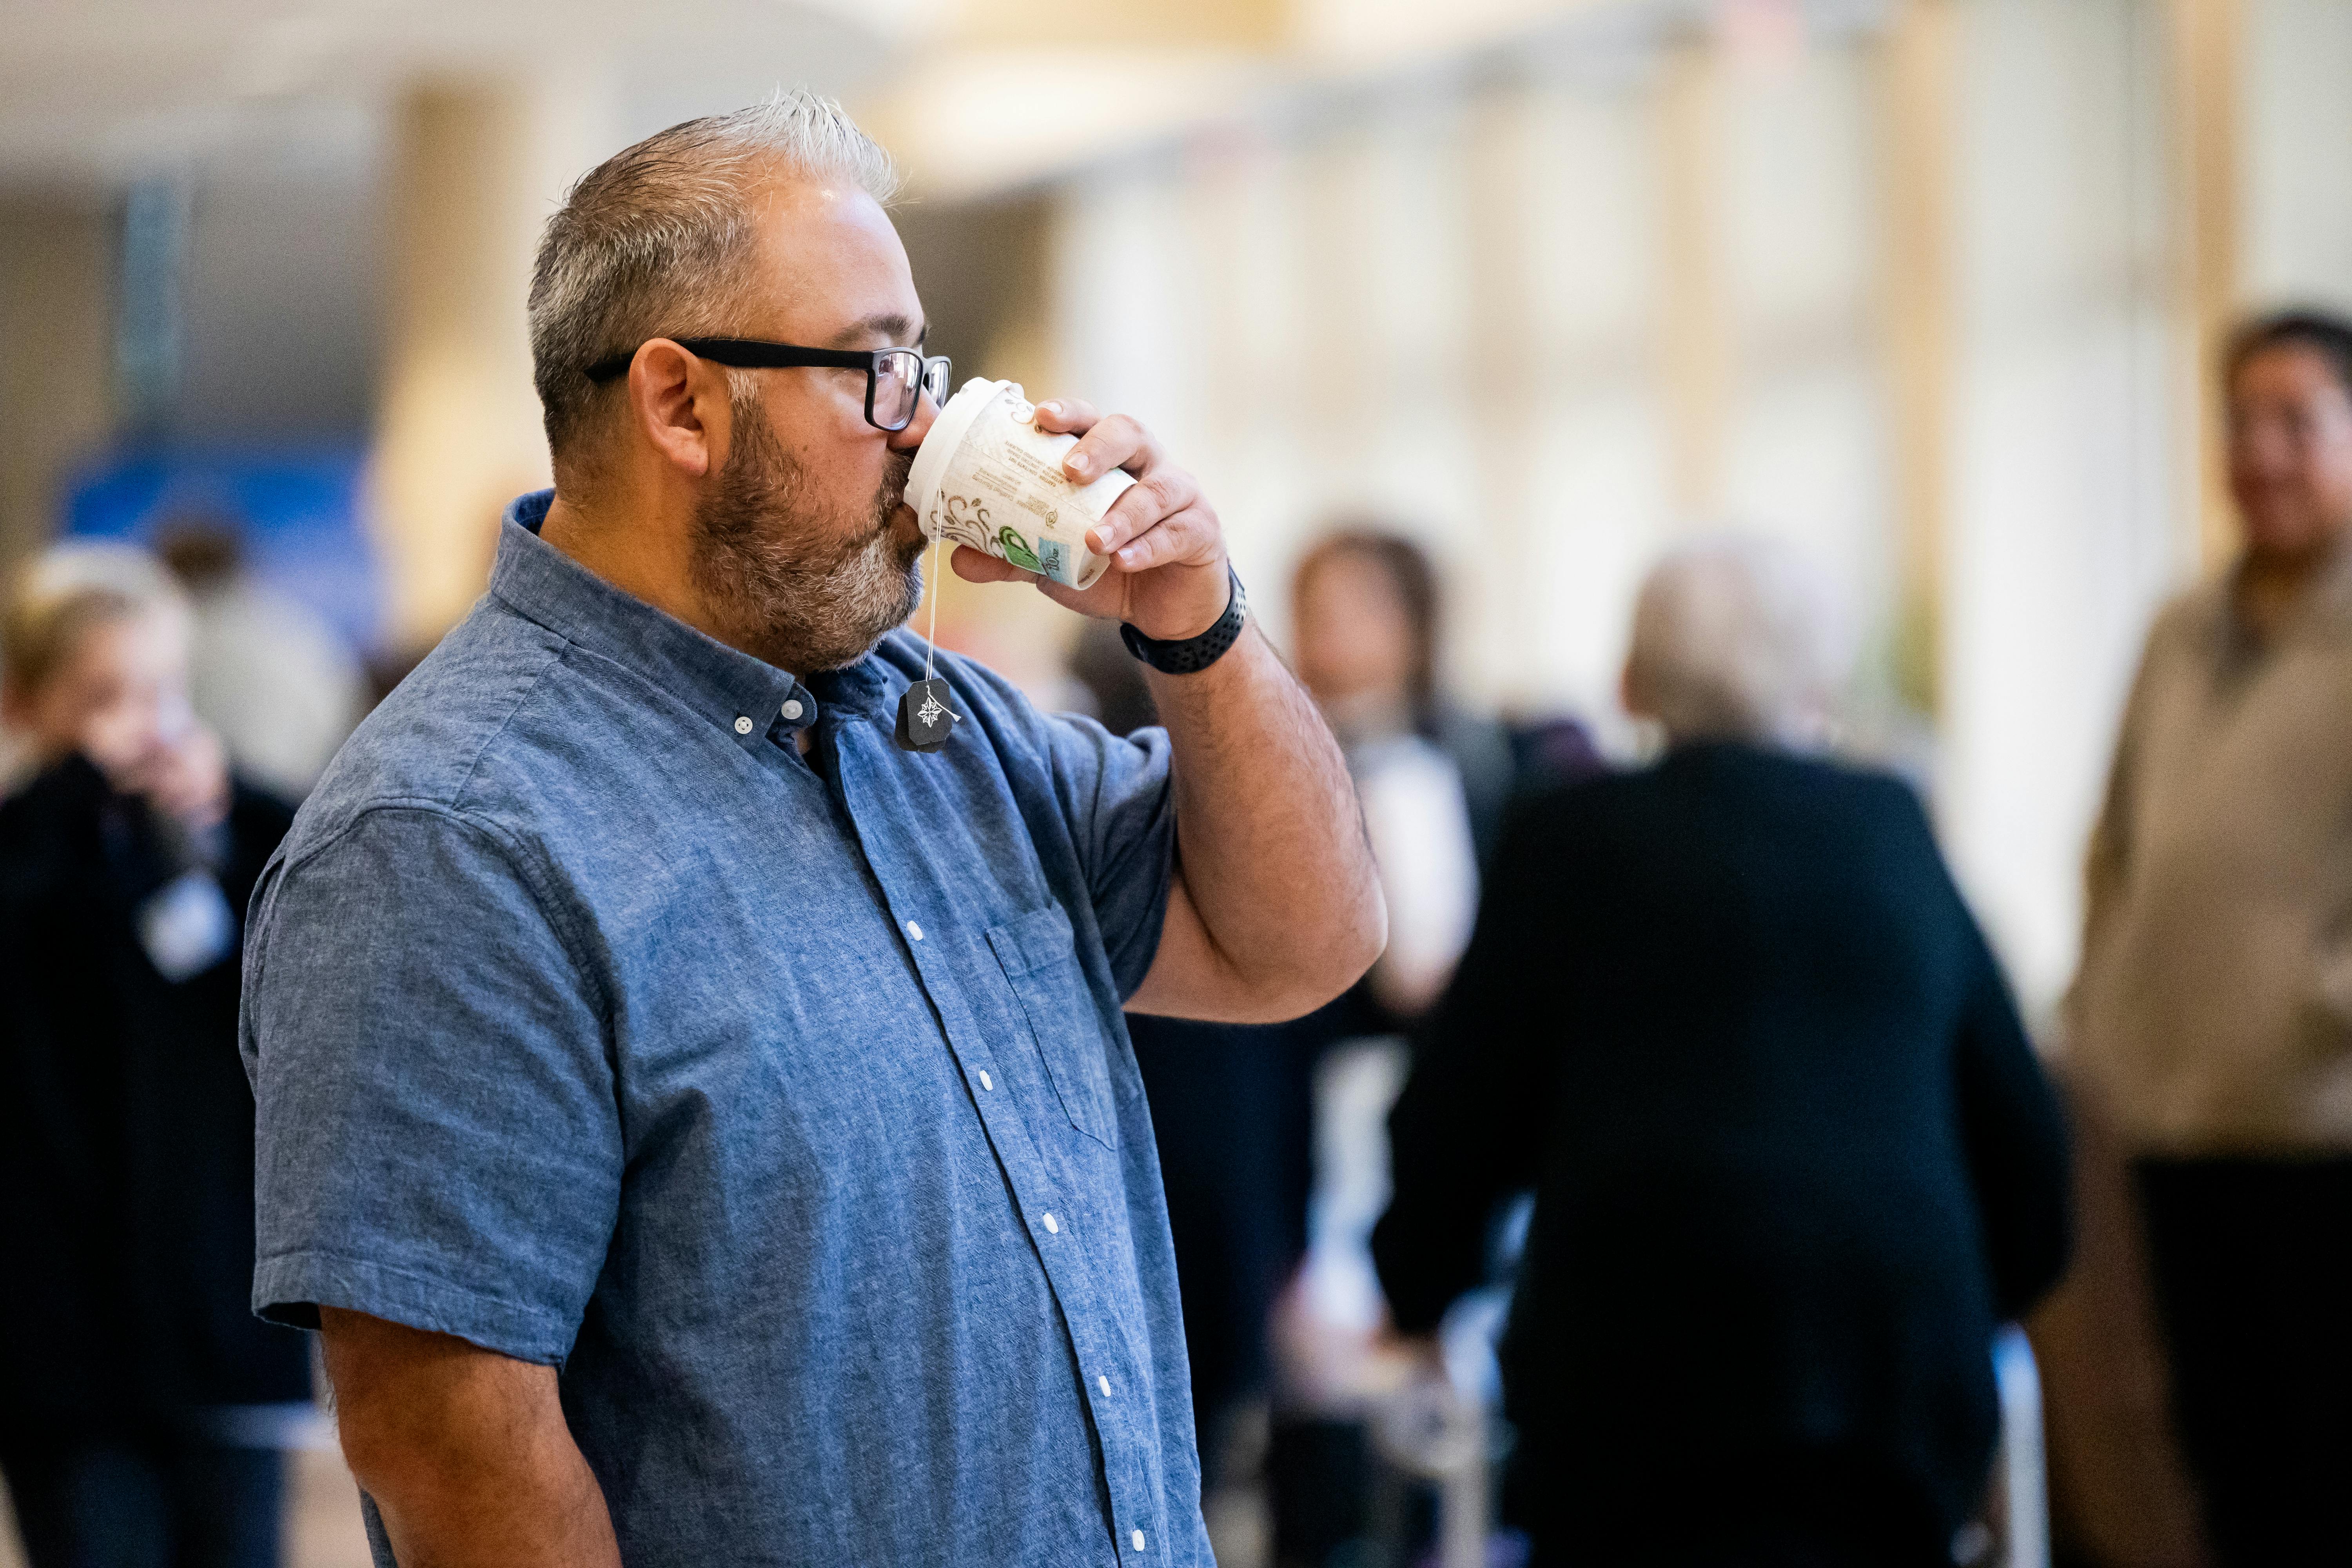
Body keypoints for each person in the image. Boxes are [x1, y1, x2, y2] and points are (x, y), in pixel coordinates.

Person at [238, 93, 1383, 1568]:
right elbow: (447, 1438)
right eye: (880, 372)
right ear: (681, 404)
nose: (923, 436)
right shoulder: (452, 833)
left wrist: (1195, 619)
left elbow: (1298, 943)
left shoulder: (934, 722)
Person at [1372, 537, 2071, 1567]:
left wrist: (1419, 1292)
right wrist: (1992, 1291)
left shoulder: (1570, 837)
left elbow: (1454, 1120)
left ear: (1633, 678)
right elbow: (2025, 1150)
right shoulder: (1892, 830)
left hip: (1632, 1384)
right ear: (1820, 679)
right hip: (1890, 1377)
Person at [2065, 308, 2352, 1564]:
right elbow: (2116, 838)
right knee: (2213, 1465)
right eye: (2241, 423)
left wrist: (2322, 1005)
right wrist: (2099, 1001)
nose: (2261, 453)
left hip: (2319, 1123)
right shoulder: (2178, 627)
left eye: (2296, 422)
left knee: (2326, 1461)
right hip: (2170, 1113)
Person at [0, 543, 311, 1568]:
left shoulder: (232, 839)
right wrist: (73, 799)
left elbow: (322, 901)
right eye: (102, 699)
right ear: (29, 703)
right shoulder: (30, 848)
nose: (139, 728)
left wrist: (232, 810)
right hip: (66, 1346)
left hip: (218, 1320)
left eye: (159, 694)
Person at [156, 512, 367, 800]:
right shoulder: (306, 632)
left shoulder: (171, 642)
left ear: (165, 572)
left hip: (227, 808)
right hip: (314, 803)